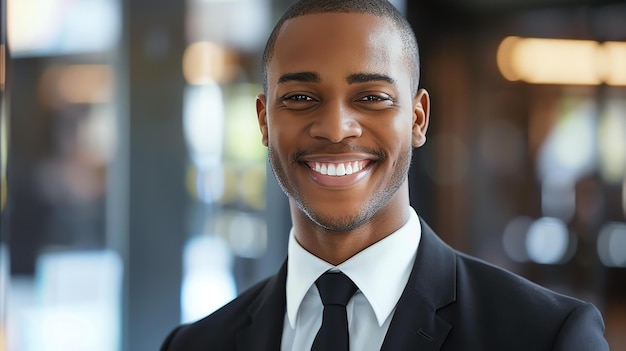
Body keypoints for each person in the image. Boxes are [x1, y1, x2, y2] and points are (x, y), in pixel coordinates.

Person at [161, 0, 609, 350]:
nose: (336, 128)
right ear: (264, 122)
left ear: (418, 119)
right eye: (300, 97)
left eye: (371, 97)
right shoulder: (195, 344)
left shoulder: (545, 337)